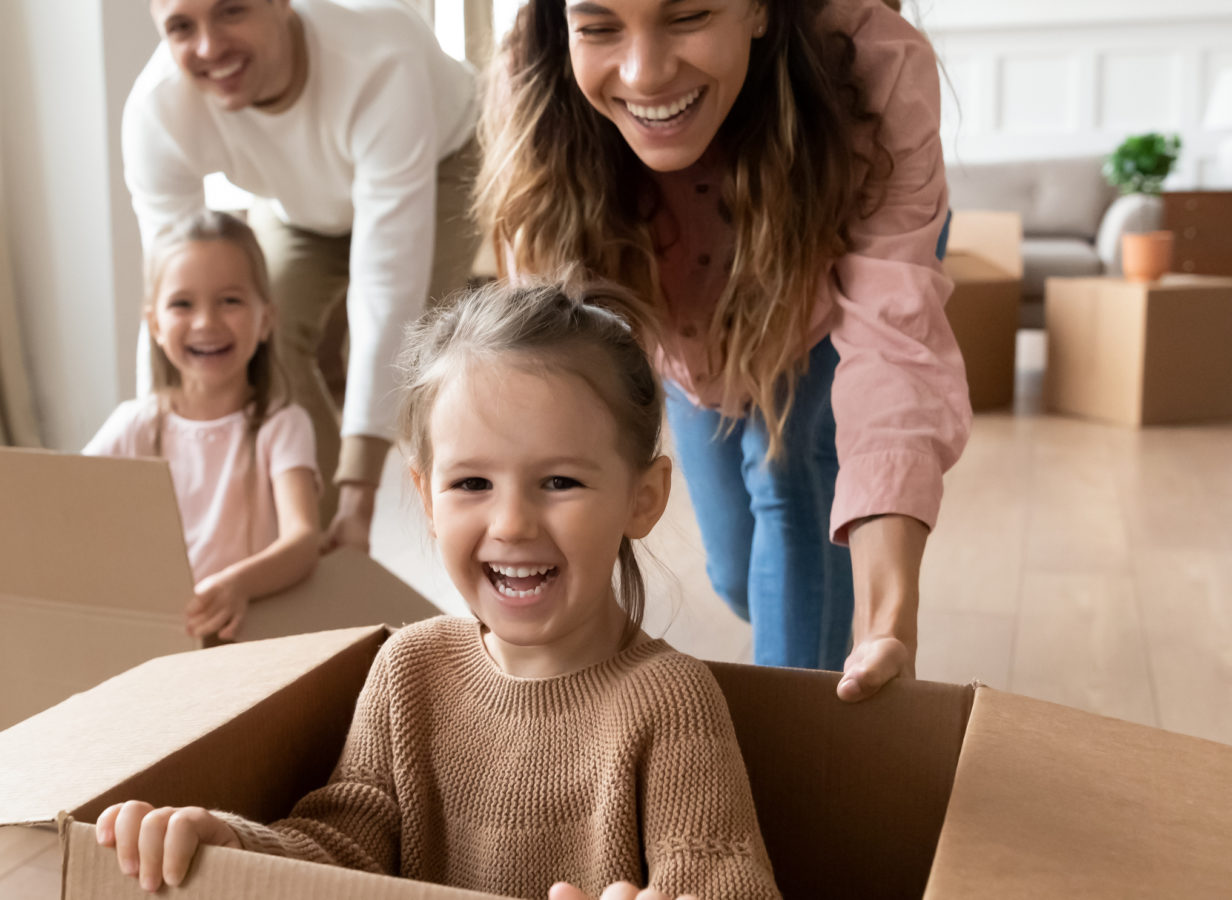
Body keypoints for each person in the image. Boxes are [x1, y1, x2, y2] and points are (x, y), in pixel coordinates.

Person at [92, 280, 783, 900]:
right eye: (472, 484)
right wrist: (237, 848)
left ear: (644, 497)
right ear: (425, 496)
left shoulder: (671, 703)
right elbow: (344, 852)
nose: (511, 524)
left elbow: (724, 882)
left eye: (560, 482)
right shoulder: (406, 672)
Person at [474, 0, 968, 701]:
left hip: (826, 298)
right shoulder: (537, 78)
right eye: (600, 27)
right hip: (690, 336)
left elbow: (894, 348)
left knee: (794, 491)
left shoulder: (874, 66)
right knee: (738, 573)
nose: (644, 75)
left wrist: (886, 621)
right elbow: (553, 364)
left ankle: (788, 754)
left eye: (689, 15)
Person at [125, 0, 482, 556]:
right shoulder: (156, 110)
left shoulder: (380, 55)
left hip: (440, 159)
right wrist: (154, 458)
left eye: (231, 11)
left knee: (418, 353)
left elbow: (387, 287)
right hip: (297, 198)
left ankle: (395, 524)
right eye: (180, 27)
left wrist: (358, 495)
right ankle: (305, 539)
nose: (208, 47)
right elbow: (173, 299)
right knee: (260, 332)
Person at [0, 212, 321, 640]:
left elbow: (303, 539)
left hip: (245, 639)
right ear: (155, 324)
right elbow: (50, 509)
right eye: (182, 304)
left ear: (266, 318)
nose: (205, 322)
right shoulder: (135, 425)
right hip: (149, 637)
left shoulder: (282, 426)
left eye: (230, 300)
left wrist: (238, 585)